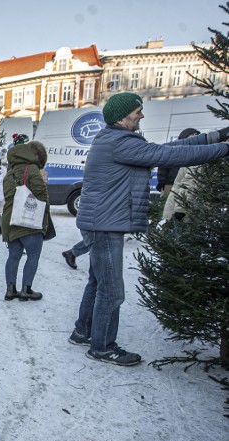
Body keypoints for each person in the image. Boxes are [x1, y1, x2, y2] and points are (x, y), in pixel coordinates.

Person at [70, 92, 229, 366]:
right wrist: (225, 150)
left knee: (98, 282)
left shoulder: (113, 139)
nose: (141, 115)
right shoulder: (120, 142)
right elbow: (168, 154)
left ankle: (83, 331)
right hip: (105, 226)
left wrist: (218, 136)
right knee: (112, 290)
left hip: (100, 222)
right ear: (122, 117)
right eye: (137, 111)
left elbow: (173, 145)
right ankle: (103, 347)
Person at [2, 140, 50, 301]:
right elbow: (41, 194)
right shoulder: (32, 169)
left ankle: (10, 290)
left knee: (13, 256)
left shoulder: (10, 172)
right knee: (33, 255)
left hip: (11, 219)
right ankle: (26, 290)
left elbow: (8, 196)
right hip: (29, 220)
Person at [156, 128, 201, 197]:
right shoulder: (173, 150)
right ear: (185, 136)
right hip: (171, 184)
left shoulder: (199, 152)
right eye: (192, 134)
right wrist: (162, 184)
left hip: (192, 184)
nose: (195, 136)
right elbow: (163, 167)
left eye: (196, 135)